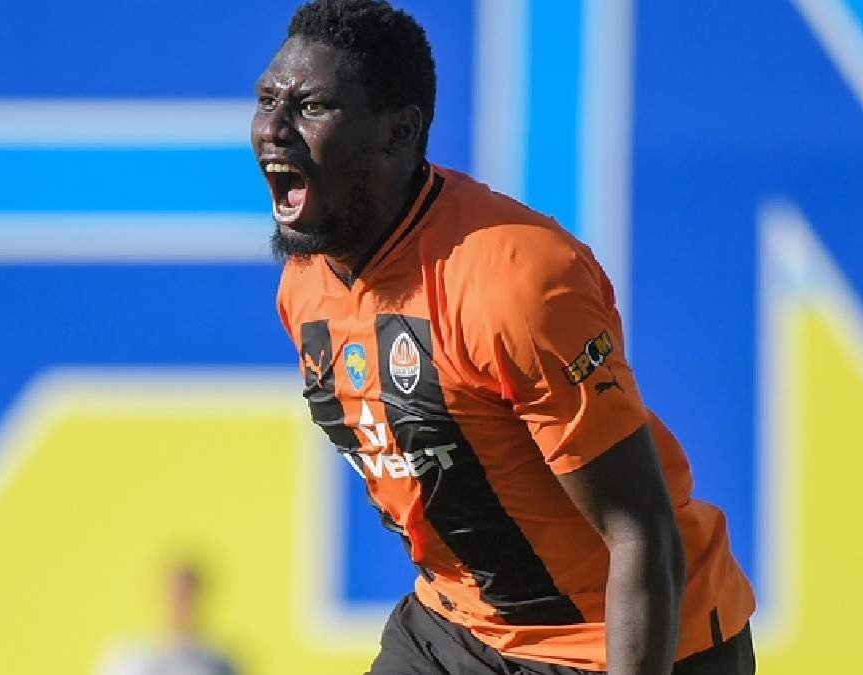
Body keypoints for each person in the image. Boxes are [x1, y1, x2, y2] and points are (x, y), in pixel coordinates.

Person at [251, 1, 756, 674]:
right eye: (267, 100)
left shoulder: (515, 279)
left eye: (311, 106)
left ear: (400, 132)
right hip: (458, 628)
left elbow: (641, 533)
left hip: (624, 639)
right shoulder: (306, 282)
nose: (273, 129)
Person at [95, 562, 237, 675]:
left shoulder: (219, 663)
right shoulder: (126, 655)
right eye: (174, 594)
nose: (180, 604)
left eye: (186, 595)